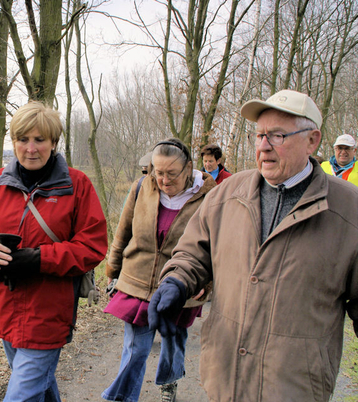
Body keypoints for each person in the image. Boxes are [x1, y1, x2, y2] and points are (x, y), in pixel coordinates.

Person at [148, 89, 358, 401]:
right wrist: (176, 280)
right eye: (258, 135)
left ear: (312, 140)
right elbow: (193, 251)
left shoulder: (348, 211)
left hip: (294, 388)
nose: (263, 146)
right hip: (225, 377)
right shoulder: (227, 193)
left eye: (277, 135)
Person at [0, 101, 108, 402]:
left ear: (53, 142)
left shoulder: (76, 186)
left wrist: (39, 259)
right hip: (4, 309)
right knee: (40, 386)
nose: (31, 148)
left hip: (49, 313)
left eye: (40, 139)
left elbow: (92, 247)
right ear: (13, 142)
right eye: (22, 139)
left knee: (21, 395)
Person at [101, 138, 216, 402]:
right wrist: (113, 268)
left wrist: (206, 284)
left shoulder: (209, 196)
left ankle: (169, 381)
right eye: (158, 172)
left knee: (173, 341)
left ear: (188, 168)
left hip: (181, 283)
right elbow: (123, 231)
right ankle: (120, 398)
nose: (163, 180)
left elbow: (215, 246)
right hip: (137, 278)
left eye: (171, 174)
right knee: (135, 350)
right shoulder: (142, 187)